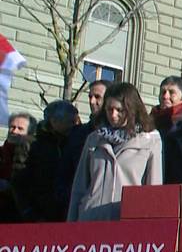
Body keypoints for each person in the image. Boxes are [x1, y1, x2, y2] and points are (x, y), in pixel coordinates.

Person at [68, 83, 162, 221]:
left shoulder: (150, 140)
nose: (113, 115)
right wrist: (71, 224)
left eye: (119, 110)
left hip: (127, 224)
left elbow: (153, 192)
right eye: (109, 109)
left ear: (132, 109)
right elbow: (79, 187)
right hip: (91, 219)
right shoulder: (94, 139)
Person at [15, 101, 78, 221]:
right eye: (71, 122)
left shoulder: (71, 144)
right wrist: (28, 212)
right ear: (54, 121)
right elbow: (18, 181)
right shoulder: (30, 144)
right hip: (36, 214)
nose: (74, 126)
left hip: (63, 214)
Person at [57, 80, 110, 213]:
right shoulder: (78, 133)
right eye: (90, 97)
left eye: (97, 97)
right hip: (76, 204)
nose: (92, 102)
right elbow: (65, 171)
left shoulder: (120, 135)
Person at [0, 113, 36, 222]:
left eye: (20, 129)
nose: (14, 131)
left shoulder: (33, 156)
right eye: (12, 127)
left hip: (19, 215)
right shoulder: (1, 152)